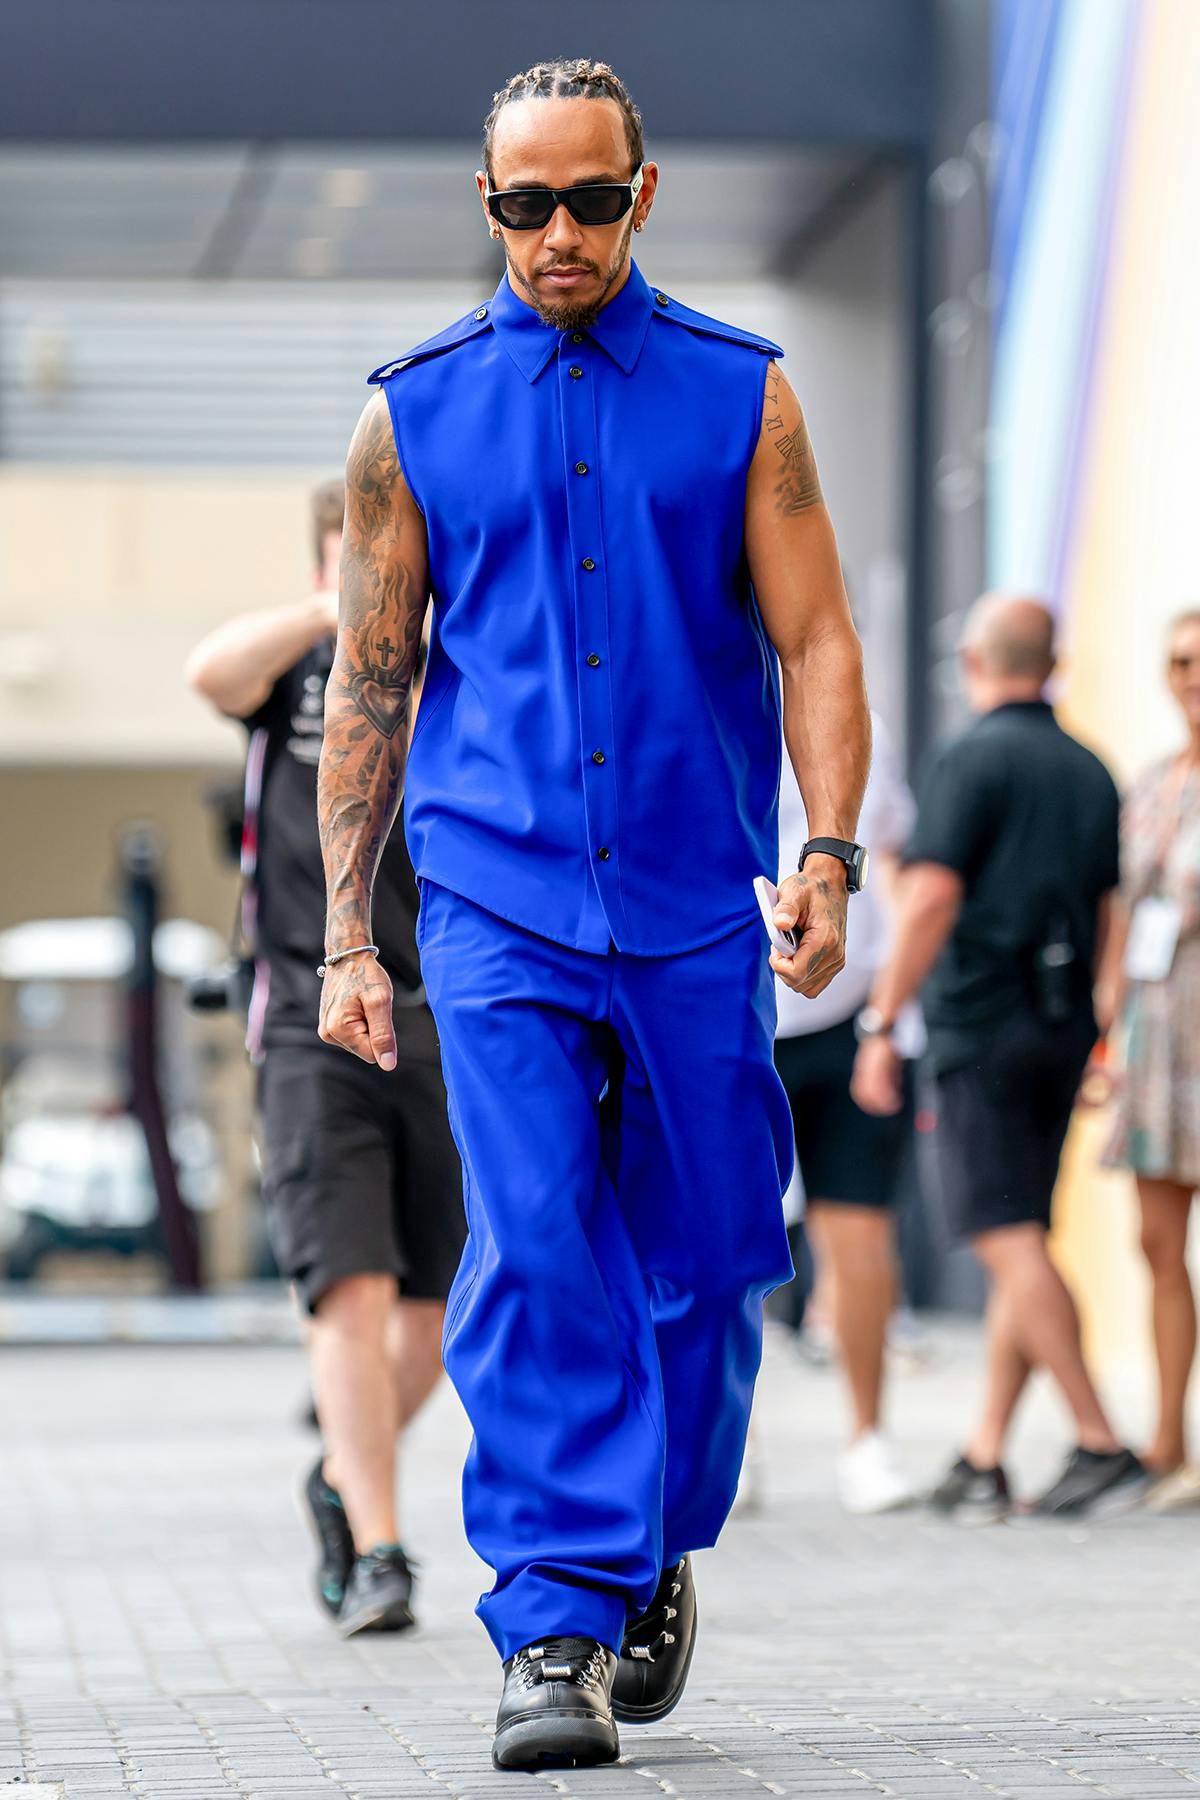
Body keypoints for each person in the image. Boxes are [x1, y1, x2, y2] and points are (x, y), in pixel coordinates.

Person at [316, 59, 870, 1772]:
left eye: (588, 198)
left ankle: (654, 1539)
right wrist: (350, 933)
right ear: (483, 206)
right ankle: (555, 1613)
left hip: (701, 896)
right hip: (497, 903)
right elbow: (373, 685)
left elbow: (820, 643)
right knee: (539, 1236)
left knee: (712, 1256)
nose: (556, 234)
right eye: (521, 204)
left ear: (646, 191)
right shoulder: (407, 418)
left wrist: (830, 853)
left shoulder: (744, 399)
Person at [185, 477, 464, 1636]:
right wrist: (345, 609)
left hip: (445, 1012)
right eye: (364, 545)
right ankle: (382, 1549)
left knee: (438, 1307)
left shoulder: (456, 671)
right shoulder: (290, 673)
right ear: (329, 552)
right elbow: (210, 671)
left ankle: (344, 1473)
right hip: (310, 1015)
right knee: (346, 1285)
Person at [852, 594, 1146, 1520]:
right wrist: (1103, 1024)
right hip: (1061, 1030)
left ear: (974, 661)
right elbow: (1111, 914)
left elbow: (932, 897)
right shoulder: (1091, 767)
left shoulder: (969, 759)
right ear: (1049, 662)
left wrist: (881, 1019)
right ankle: (985, 1451)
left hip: (980, 1028)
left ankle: (1100, 1439)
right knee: (1026, 1233)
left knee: (1004, 1238)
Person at [774, 712, 920, 1513]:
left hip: (846, 1008)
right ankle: (733, 1439)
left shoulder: (858, 721)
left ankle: (867, 1438)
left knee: (859, 1230)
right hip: (733, 1009)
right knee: (720, 1235)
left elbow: (893, 862)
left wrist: (890, 1022)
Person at [1097, 608, 1200, 1509]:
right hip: (1159, 1035)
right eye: (1180, 661)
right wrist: (1111, 1032)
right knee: (1157, 1241)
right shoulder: (1154, 783)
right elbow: (1126, 918)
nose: (1192, 675)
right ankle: (1169, 1441)